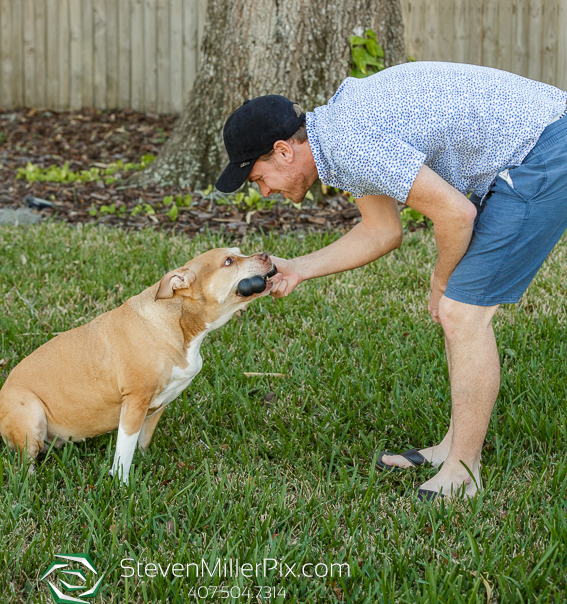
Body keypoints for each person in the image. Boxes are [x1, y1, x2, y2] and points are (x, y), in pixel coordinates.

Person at [215, 61, 567, 501]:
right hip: (535, 144)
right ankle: (450, 449)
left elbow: (457, 215)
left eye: (259, 178)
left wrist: (440, 285)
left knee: (460, 312)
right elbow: (383, 231)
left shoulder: (348, 144)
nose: (265, 192)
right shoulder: (337, 135)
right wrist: (299, 267)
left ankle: (463, 471)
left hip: (547, 150)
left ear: (284, 152)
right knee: (458, 312)